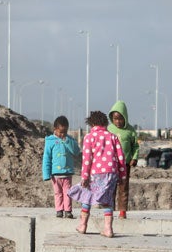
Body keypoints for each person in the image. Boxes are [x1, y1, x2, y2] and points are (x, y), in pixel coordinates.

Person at [71, 110, 126, 238]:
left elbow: (87, 159)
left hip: (96, 173)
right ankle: (108, 229)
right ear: (106, 123)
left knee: (87, 197)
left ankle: (82, 225)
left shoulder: (89, 137)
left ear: (91, 124)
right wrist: (122, 176)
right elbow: (121, 158)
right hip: (111, 172)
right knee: (107, 200)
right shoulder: (112, 137)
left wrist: (85, 177)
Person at [42, 115, 81, 218]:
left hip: (67, 173)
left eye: (65, 132)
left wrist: (67, 141)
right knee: (58, 193)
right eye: (60, 132)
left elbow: (76, 151)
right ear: (55, 129)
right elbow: (46, 158)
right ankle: (59, 210)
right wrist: (46, 174)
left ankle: (68, 210)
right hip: (55, 174)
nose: (62, 134)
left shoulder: (70, 140)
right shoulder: (50, 141)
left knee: (68, 193)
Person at [107, 101, 139, 219]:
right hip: (111, 164)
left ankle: (122, 211)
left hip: (125, 164)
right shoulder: (109, 129)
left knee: (123, 187)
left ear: (125, 117)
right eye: (115, 119)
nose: (118, 122)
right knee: (111, 187)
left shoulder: (130, 130)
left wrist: (134, 158)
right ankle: (109, 210)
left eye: (120, 119)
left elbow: (135, 146)